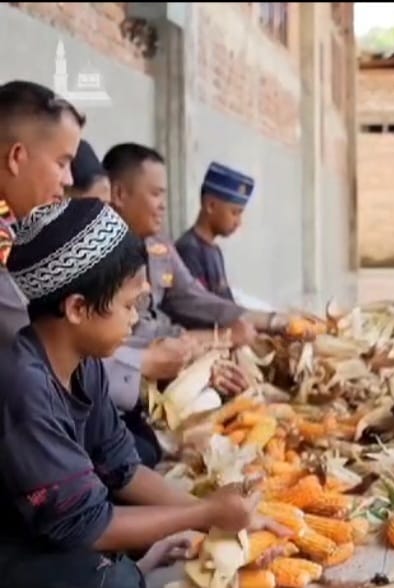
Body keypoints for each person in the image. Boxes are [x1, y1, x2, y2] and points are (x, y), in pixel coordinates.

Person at [0, 197, 284, 587]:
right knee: (113, 576)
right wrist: (203, 516)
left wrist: (216, 513)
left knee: (141, 550)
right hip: (15, 555)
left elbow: (123, 469)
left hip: (54, 536)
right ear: (78, 308)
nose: (136, 320)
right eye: (129, 305)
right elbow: (91, 527)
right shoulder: (25, 387)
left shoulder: (86, 367)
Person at [100, 143, 287, 467]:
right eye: (156, 194)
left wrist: (272, 321)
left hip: (168, 364)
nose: (163, 206)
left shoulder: (158, 246)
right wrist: (206, 344)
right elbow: (131, 332)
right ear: (119, 193)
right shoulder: (97, 255)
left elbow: (190, 296)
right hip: (131, 378)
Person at [0, 80, 84, 341]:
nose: (69, 180)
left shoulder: (15, 226)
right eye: (62, 163)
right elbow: (35, 336)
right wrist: (142, 359)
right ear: (16, 157)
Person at [175, 162, 253, 302]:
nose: (239, 222)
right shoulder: (188, 250)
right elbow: (200, 306)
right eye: (234, 213)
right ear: (210, 206)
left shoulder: (214, 250)